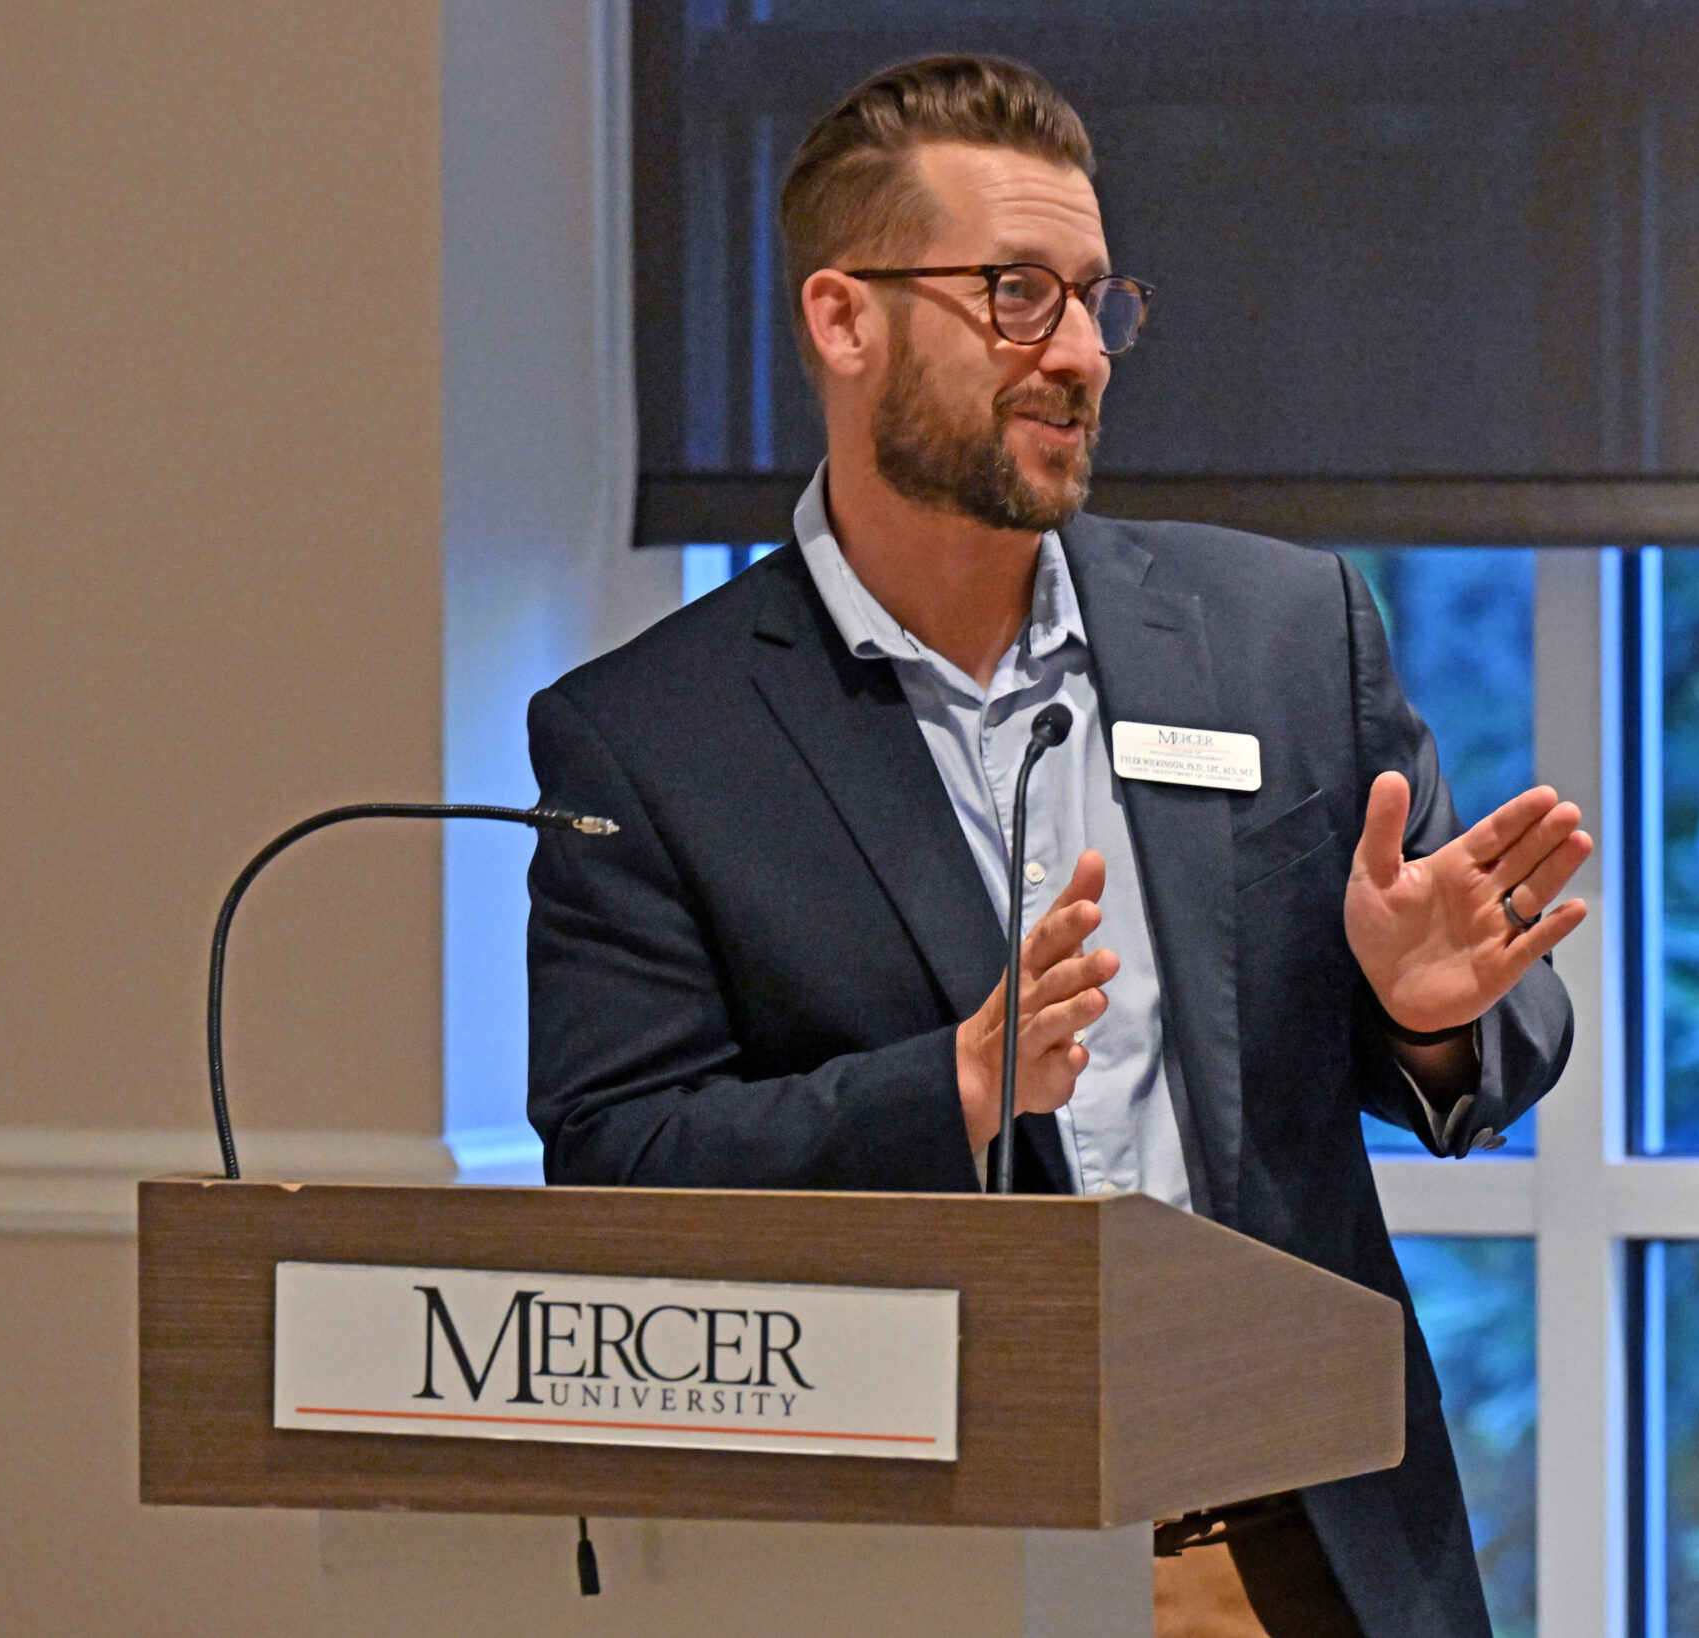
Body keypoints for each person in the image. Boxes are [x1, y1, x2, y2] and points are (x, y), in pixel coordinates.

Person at [527, 54, 1591, 1638]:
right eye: (1019, 295)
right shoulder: (649, 736)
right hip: (920, 1570)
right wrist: (945, 1092)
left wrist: (1428, 1012)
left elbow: (1491, 1034)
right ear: (843, 319)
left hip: (1308, 1554)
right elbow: (619, 1168)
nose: (1082, 353)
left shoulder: (1281, 634)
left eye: (1099, 300)